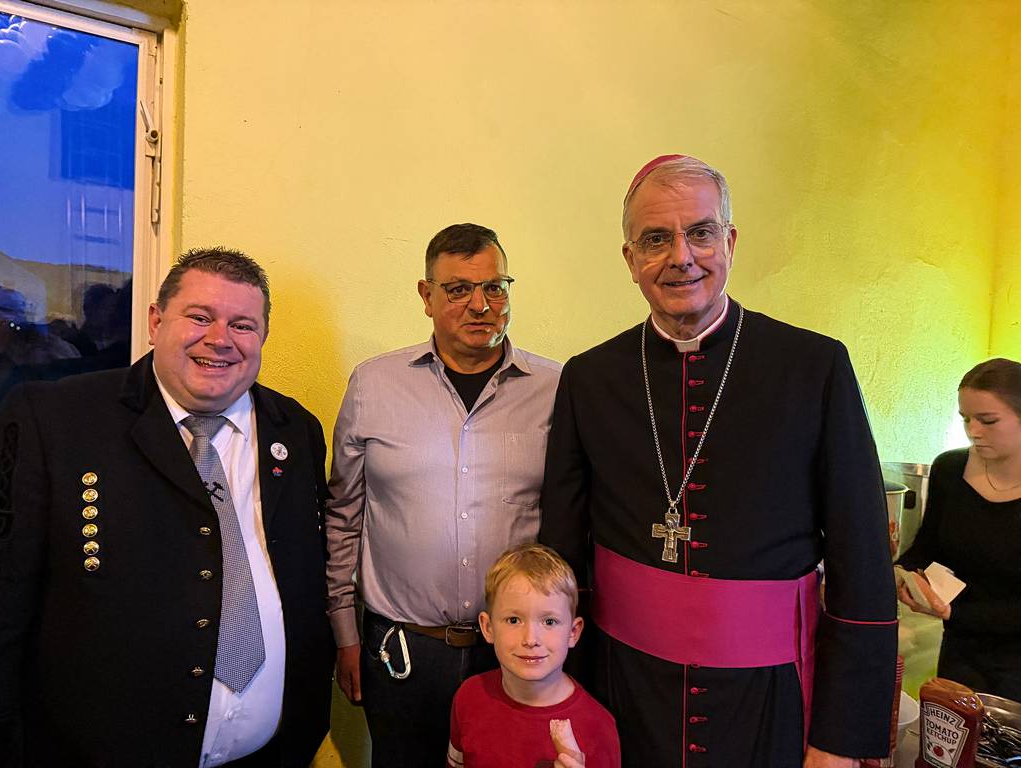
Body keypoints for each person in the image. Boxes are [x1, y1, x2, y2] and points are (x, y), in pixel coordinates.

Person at [539, 154, 899, 767]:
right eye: (656, 239)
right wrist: (556, 696)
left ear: (729, 243)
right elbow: (563, 551)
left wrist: (839, 739)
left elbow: (860, 559)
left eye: (700, 232)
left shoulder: (813, 368)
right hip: (623, 690)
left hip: (770, 698)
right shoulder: (590, 378)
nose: (681, 256)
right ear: (630, 259)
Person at [0, 247, 335, 767]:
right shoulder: (57, 419)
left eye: (242, 325)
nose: (219, 339)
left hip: (272, 752)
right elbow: (7, 594)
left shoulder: (295, 430)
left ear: (263, 336)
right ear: (156, 322)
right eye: (200, 317)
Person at [325, 223, 562, 766]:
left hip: (515, 654)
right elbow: (344, 515)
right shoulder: (373, 386)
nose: (480, 305)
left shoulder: (555, 390)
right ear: (426, 296)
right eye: (458, 289)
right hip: (402, 652)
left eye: (494, 287)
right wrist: (345, 633)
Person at [897, 358, 1021, 700]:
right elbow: (927, 547)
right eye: (966, 419)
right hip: (961, 651)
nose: (973, 431)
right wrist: (905, 575)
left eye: (988, 420)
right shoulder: (950, 469)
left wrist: (956, 612)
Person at [447, 543, 621, 768]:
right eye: (513, 620)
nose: (530, 639)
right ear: (488, 628)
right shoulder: (469, 698)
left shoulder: (598, 727)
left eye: (549, 621)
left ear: (573, 632)